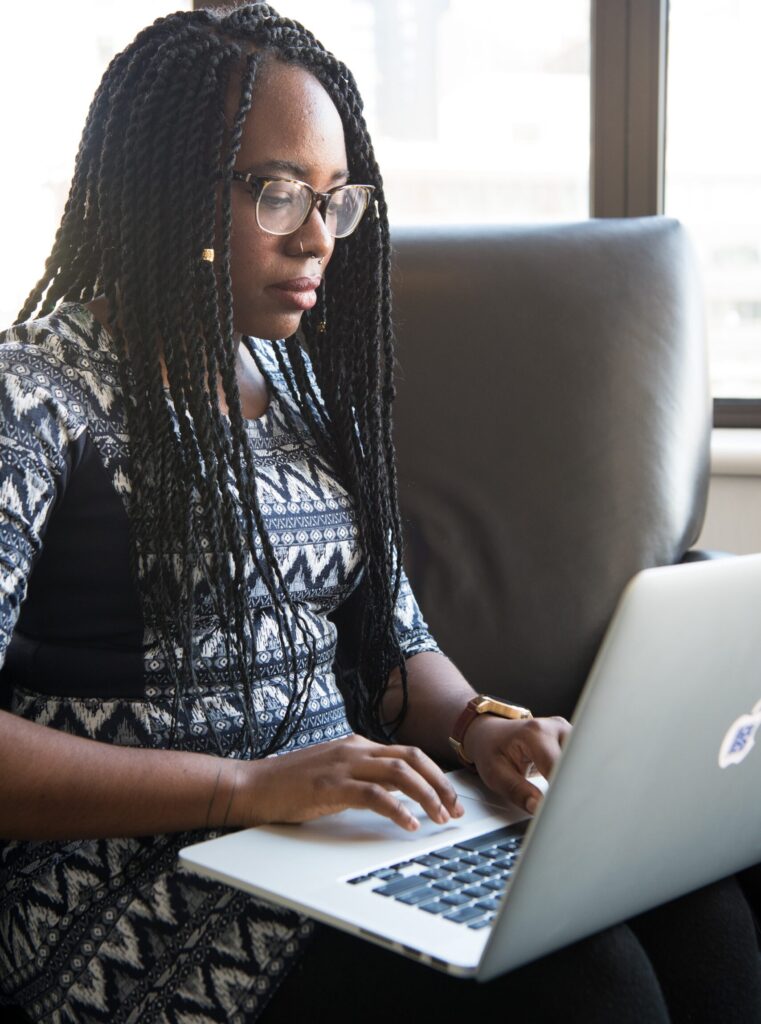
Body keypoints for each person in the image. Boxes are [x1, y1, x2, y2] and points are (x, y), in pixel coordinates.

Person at [0, 6, 758, 1023]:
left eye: (333, 199)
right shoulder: (36, 397)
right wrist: (246, 787)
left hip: (332, 843)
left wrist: (481, 723)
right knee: (589, 992)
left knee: (701, 911)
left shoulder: (306, 388)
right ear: (163, 186)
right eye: (277, 194)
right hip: (134, 889)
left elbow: (393, 647)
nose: (319, 238)